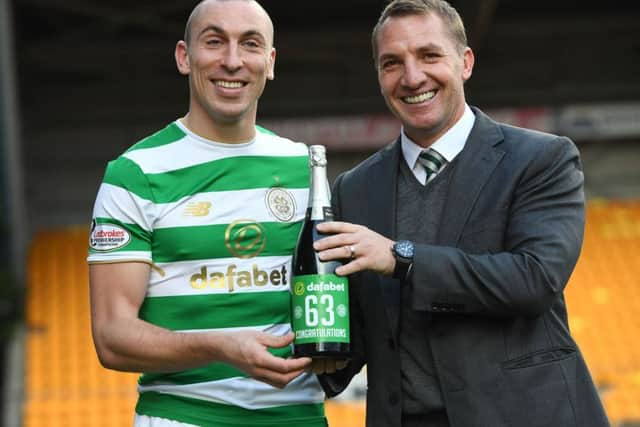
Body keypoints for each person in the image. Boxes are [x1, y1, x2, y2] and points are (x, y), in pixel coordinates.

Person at [313, 1, 610, 426]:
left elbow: (535, 280)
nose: (412, 77)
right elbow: (361, 327)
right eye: (392, 63)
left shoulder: (541, 158)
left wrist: (401, 257)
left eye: (429, 55)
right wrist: (306, 351)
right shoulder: (354, 188)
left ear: (465, 62)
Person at [87, 1, 327, 426]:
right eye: (214, 42)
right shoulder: (136, 173)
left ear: (269, 62)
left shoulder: (305, 169)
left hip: (299, 416)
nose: (232, 61)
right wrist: (219, 346)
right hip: (184, 417)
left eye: (249, 44)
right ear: (185, 56)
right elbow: (111, 337)